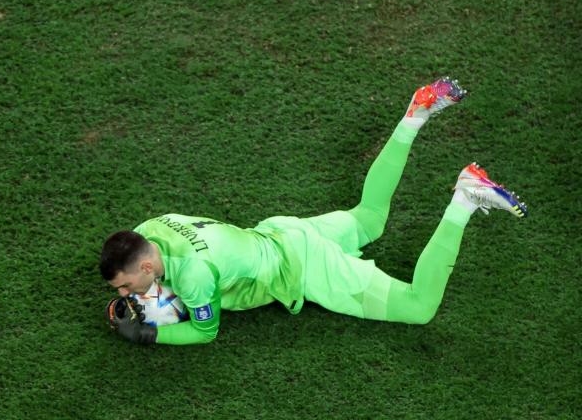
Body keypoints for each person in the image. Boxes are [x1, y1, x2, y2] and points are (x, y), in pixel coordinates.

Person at [100, 78, 528, 345]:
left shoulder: (192, 276)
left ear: (147, 263)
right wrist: (150, 292)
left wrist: (150, 333)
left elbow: (204, 331)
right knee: (369, 218)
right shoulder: (150, 228)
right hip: (281, 232)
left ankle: (465, 199)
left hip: (304, 267)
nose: (124, 292)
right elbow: (168, 273)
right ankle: (415, 113)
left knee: (419, 308)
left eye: (125, 284)